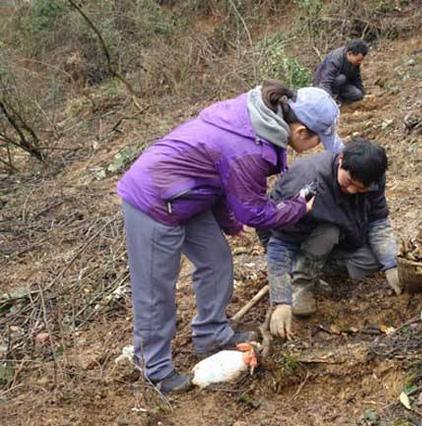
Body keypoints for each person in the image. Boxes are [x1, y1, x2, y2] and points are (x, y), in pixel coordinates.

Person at [117, 80, 342, 394]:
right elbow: (256, 212)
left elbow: (221, 175)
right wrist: (297, 209)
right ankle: (154, 367)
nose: (318, 148)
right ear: (301, 132)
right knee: (156, 289)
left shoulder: (261, 119)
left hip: (188, 193)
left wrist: (228, 220)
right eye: (319, 140)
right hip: (154, 198)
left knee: (216, 260)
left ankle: (210, 333)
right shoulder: (252, 147)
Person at [263, 138, 402, 339]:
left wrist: (391, 264)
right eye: (348, 183)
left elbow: (377, 221)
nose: (353, 191)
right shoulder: (306, 184)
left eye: (361, 188)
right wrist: (281, 301)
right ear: (341, 159)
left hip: (343, 231)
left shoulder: (373, 179)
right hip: (299, 235)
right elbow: (280, 243)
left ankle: (316, 268)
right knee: (329, 231)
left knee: (371, 261)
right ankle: (301, 282)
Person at [313, 39, 368, 104]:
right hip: (323, 85)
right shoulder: (335, 59)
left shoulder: (355, 62)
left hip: (340, 85)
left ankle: (339, 99)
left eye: (361, 60)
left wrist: (364, 94)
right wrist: (330, 101)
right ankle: (333, 98)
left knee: (357, 94)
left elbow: (356, 78)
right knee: (342, 78)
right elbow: (325, 82)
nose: (360, 62)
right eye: (359, 60)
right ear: (350, 53)